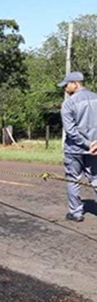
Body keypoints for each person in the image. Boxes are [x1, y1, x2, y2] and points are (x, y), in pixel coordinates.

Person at [57, 71, 97, 222]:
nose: (65, 88)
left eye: (66, 85)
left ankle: (76, 213)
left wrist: (87, 144)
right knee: (96, 178)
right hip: (95, 149)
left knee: (73, 179)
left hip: (74, 149)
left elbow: (71, 131)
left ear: (75, 83)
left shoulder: (69, 103)